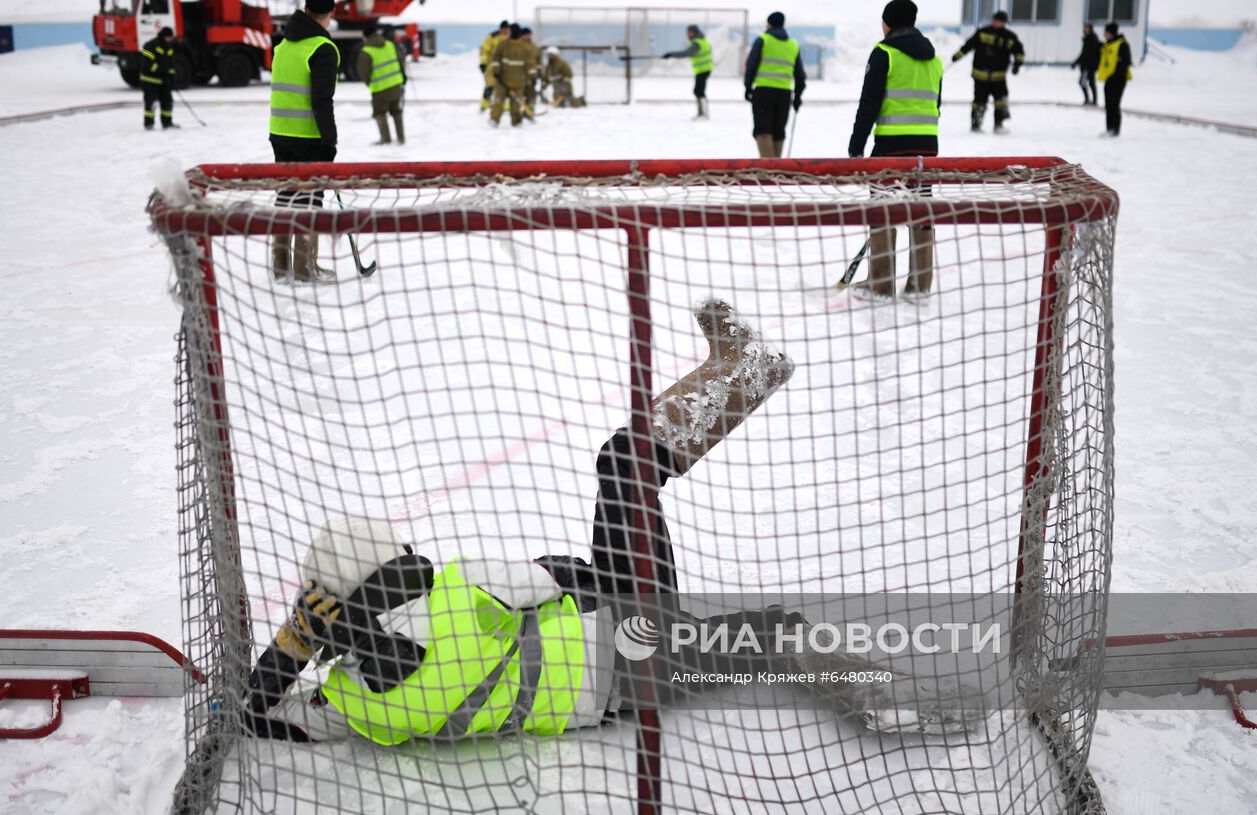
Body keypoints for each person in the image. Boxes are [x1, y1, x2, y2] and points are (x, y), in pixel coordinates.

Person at [239, 299, 985, 745]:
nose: (416, 560)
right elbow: (540, 578)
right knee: (628, 465)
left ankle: (741, 364)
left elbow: (260, 709)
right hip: (636, 648)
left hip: (614, 631)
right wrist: (336, 632)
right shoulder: (437, 619)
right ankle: (889, 695)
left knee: (646, 490)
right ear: (384, 586)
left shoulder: (358, 700)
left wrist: (297, 646)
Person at [849, 0, 942, 301]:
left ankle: (881, 283)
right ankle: (920, 285)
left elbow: (869, 103)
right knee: (921, 212)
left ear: (887, 23)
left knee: (882, 211)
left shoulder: (883, 53)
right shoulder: (933, 58)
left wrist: (856, 144)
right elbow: (935, 102)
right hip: (926, 148)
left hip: (890, 145)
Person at [268, 0, 340, 283]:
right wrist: (330, 141)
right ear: (331, 12)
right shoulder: (322, 48)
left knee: (286, 198)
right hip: (309, 137)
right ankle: (304, 268)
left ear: (306, 9)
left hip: (280, 133)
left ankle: (281, 264)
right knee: (310, 202)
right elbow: (322, 100)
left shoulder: (284, 45)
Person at [744, 12, 807, 157]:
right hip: (784, 94)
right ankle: (777, 165)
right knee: (779, 130)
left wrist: (747, 86)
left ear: (769, 24)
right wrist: (797, 96)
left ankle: (769, 167)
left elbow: (751, 65)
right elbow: (800, 75)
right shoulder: (793, 44)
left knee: (763, 129)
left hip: (763, 91)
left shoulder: (763, 40)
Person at [952, 10, 1024, 133]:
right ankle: (976, 125)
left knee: (1000, 102)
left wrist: (1017, 64)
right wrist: (958, 56)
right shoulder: (982, 32)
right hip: (980, 76)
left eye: (1000, 21)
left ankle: (998, 125)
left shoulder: (1010, 37)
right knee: (979, 102)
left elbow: (1019, 52)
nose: (997, 23)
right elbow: (968, 45)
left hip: (998, 77)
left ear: (1004, 23)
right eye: (995, 20)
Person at [357, 24, 407, 145]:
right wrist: (402, 77)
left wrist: (370, 83)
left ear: (365, 37)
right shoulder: (390, 45)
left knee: (380, 112)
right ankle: (401, 138)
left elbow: (362, 72)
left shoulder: (366, 51)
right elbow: (401, 61)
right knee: (397, 111)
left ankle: (386, 139)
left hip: (380, 89)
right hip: (396, 84)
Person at [662, 24, 714, 119]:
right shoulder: (702, 40)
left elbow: (687, 53)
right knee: (699, 91)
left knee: (698, 91)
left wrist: (671, 54)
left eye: (689, 32)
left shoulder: (697, 43)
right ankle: (702, 113)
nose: (687, 34)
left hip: (703, 69)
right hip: (704, 69)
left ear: (694, 32)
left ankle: (703, 113)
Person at [486, 25, 528, 128]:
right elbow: (495, 58)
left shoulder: (524, 47)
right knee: (498, 101)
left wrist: (531, 77)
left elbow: (529, 63)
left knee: (516, 104)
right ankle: (494, 120)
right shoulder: (502, 45)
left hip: (518, 81)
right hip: (502, 81)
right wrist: (496, 71)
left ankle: (517, 122)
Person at [1098, 22, 1133, 138]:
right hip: (1109, 79)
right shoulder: (1107, 45)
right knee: (1108, 105)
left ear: (1112, 33)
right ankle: (1109, 129)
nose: (1104, 35)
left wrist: (1117, 75)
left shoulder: (1122, 45)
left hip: (1119, 79)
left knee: (1114, 104)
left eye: (1106, 33)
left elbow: (1126, 62)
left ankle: (1115, 130)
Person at [139, 26, 176, 130]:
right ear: (163, 36)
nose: (170, 39)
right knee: (151, 103)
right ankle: (149, 124)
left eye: (171, 37)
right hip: (149, 80)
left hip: (163, 80)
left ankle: (167, 123)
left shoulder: (168, 47)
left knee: (167, 101)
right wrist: (160, 71)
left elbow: (170, 64)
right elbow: (148, 64)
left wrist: (171, 77)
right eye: (168, 37)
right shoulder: (150, 46)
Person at [479, 20, 509, 111]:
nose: (505, 31)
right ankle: (485, 104)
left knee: (505, 86)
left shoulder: (511, 36)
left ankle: (505, 106)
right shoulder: (493, 37)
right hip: (492, 66)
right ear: (500, 29)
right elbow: (484, 50)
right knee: (490, 85)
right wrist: (483, 63)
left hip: (507, 67)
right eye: (504, 29)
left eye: (507, 29)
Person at [1071, 23, 1101, 107]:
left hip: (1090, 66)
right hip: (1085, 66)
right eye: (1085, 29)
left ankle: (1091, 100)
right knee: (1089, 83)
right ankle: (1090, 100)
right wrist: (1076, 62)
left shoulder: (1093, 40)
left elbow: (1094, 54)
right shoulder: (1086, 40)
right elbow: (1083, 54)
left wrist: (1095, 64)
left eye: (1087, 29)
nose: (1085, 30)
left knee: (1084, 82)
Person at [519, 27, 542, 120]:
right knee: (519, 96)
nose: (528, 37)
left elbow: (538, 61)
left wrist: (538, 73)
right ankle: (516, 115)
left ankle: (529, 113)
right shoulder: (518, 45)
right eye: (526, 35)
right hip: (520, 76)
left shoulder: (534, 46)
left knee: (531, 95)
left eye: (529, 34)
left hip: (532, 77)